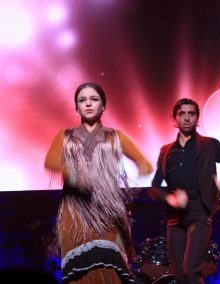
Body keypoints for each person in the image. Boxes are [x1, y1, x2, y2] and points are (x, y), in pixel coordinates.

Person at [44, 82, 153, 283]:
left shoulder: (115, 137)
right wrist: (77, 176)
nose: (88, 104)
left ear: (103, 106)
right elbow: (50, 162)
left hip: (107, 213)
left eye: (94, 99)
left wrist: (128, 187)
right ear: (76, 108)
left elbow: (145, 164)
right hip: (74, 214)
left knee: (108, 268)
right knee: (79, 275)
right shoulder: (65, 136)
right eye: (82, 100)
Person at [149, 98, 220, 284]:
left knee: (190, 270)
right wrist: (170, 199)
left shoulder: (209, 145)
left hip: (200, 211)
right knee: (179, 274)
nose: (186, 118)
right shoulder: (166, 151)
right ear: (174, 119)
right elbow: (154, 187)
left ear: (197, 118)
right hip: (175, 216)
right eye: (182, 114)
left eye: (191, 113)